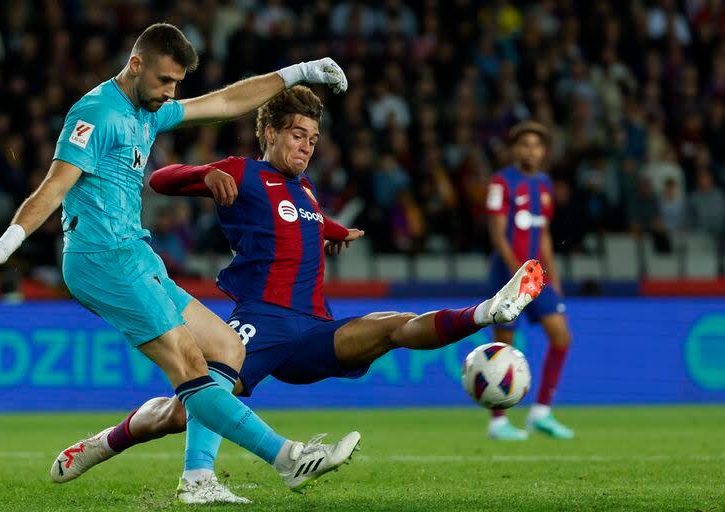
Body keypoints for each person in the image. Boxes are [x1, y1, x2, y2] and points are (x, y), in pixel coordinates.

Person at [48, 85, 545, 504]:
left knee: (391, 327)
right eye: (296, 135)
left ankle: (485, 311)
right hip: (259, 323)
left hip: (312, 329)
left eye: (313, 138)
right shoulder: (242, 172)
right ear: (269, 133)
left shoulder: (304, 191)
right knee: (190, 405)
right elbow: (160, 178)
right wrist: (204, 175)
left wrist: (333, 230)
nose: (306, 146)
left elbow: (298, 220)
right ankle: (148, 461)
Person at [0, 23, 360, 500]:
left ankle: (190, 477)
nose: (171, 93)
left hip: (136, 253)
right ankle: (289, 459)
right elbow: (54, 185)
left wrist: (296, 71)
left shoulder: (147, 110)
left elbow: (223, 103)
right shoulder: (95, 113)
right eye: (165, 82)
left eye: (177, 83)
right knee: (191, 366)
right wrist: (7, 242)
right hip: (100, 259)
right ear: (136, 65)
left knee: (227, 350)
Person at [485, 121, 575, 441]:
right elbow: (498, 232)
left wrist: (554, 276)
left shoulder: (545, 184)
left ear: (544, 151)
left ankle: (541, 413)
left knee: (561, 337)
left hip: (537, 277)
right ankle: (498, 422)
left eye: (537, 145)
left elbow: (544, 235)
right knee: (503, 348)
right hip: (508, 276)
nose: (531, 150)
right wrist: (515, 273)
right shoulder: (501, 182)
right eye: (525, 145)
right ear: (515, 149)